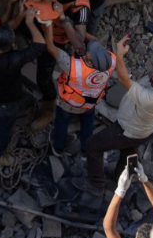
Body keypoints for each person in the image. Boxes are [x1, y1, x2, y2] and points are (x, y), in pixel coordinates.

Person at [83, 28, 153, 199]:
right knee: (127, 153)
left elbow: (123, 79)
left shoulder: (152, 99)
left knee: (93, 146)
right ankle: (120, 178)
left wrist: (119, 55)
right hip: (145, 131)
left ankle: (96, 183)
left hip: (127, 131)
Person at [0, 9, 50, 165]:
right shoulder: (13, 60)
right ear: (12, 44)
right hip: (6, 101)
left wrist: (20, 12)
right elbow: (40, 45)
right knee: (5, 129)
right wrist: (29, 22)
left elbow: (4, 26)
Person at [32, 0, 94, 130]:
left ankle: (49, 109)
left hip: (55, 39)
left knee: (43, 77)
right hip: (40, 24)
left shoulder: (81, 7)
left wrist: (62, 16)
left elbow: (79, 42)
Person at [49, 25, 114, 158]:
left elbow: (51, 47)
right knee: (88, 121)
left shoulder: (74, 68)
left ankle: (58, 148)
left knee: (61, 122)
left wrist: (49, 26)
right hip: (89, 103)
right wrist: (73, 30)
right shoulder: (110, 62)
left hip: (68, 104)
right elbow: (96, 43)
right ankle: (85, 151)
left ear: (90, 60)